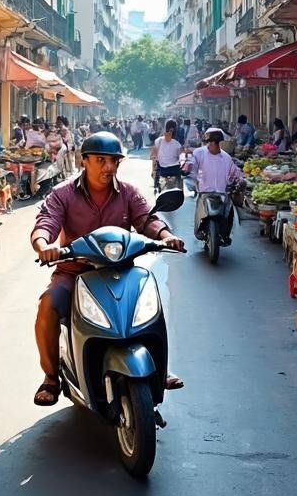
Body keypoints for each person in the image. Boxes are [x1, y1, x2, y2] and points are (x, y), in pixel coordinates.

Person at [28, 131, 185, 406]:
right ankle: (51, 378)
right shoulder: (63, 194)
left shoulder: (128, 193)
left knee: (153, 304)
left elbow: (146, 219)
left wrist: (165, 235)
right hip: (75, 272)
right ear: (84, 160)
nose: (108, 167)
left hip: (120, 272)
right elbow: (46, 222)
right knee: (48, 306)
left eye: (114, 161)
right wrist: (43, 245)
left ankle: (159, 368)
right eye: (100, 160)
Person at [184, 127, 246, 241]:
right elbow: (192, 162)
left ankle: (226, 234)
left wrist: (240, 179)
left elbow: (234, 171)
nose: (211, 145)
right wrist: (188, 166)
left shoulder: (226, 157)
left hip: (222, 193)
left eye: (214, 142)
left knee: (229, 212)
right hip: (204, 192)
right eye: (210, 142)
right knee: (200, 208)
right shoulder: (199, 153)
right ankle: (199, 229)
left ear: (218, 143)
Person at [151, 119, 184, 191]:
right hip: (175, 170)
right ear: (175, 129)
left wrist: (153, 170)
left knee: (162, 192)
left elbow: (154, 157)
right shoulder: (178, 142)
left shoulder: (158, 141)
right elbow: (181, 158)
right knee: (178, 193)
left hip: (162, 171)